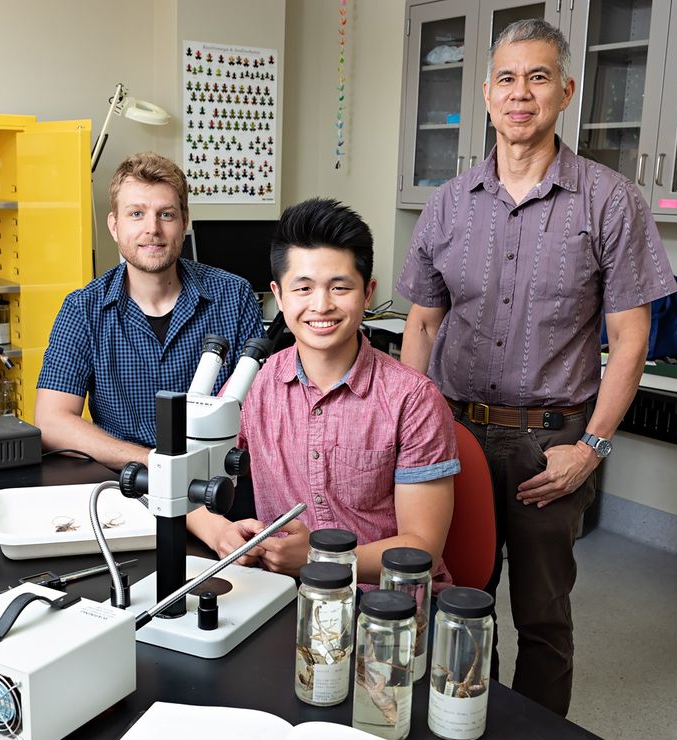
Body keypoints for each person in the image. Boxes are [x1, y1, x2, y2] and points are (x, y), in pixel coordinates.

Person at [396, 19, 677, 716]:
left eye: (539, 77)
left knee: (544, 616)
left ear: (566, 92)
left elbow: (630, 338)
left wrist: (593, 447)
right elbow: (423, 324)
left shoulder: (612, 200)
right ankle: (467, 726)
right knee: (461, 599)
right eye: (507, 79)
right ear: (489, 95)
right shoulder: (447, 204)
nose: (521, 93)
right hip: (456, 434)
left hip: (553, 443)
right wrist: (415, 429)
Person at [188, 197, 460, 587]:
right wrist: (219, 532)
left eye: (339, 287)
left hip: (386, 609)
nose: (321, 305)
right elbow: (186, 483)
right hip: (285, 597)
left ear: (368, 293)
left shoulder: (413, 399)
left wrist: (320, 558)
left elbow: (422, 550)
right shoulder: (254, 384)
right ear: (278, 296)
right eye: (303, 288)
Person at [35, 152, 264, 469]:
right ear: (114, 226)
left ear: (184, 222)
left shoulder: (234, 296)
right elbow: (52, 420)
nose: (152, 228)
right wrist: (153, 463)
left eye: (166, 215)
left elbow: (263, 411)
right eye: (136, 214)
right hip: (124, 485)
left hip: (218, 480)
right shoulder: (83, 308)